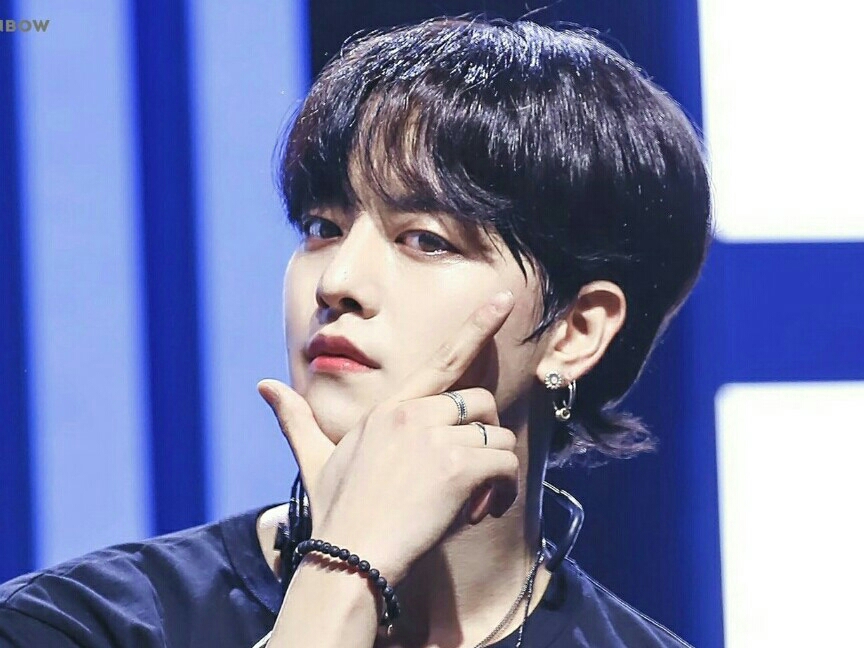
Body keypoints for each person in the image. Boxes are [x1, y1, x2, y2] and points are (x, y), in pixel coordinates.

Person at [0, 17, 711, 648]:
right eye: (323, 227)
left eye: (426, 239)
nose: (338, 279)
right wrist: (341, 575)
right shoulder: (71, 626)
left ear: (575, 332)